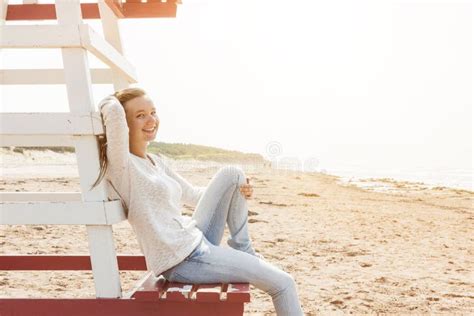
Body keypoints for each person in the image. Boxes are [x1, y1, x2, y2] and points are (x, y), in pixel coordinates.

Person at [92, 87, 304, 315]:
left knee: (233, 174)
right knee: (284, 284)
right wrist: (110, 100)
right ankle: (246, 253)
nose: (151, 120)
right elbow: (112, 110)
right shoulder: (123, 167)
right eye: (140, 115)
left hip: (195, 239)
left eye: (153, 112)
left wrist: (237, 191)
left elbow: (195, 195)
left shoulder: (156, 161)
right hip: (184, 260)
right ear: (124, 125)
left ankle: (244, 248)